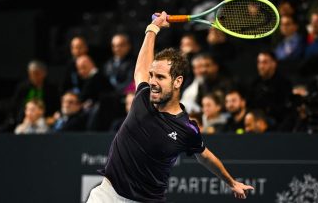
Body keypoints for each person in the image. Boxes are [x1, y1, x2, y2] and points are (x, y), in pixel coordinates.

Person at [86, 11, 254, 203]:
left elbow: (205, 156)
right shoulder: (143, 96)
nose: (153, 82)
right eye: (152, 76)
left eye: (160, 77)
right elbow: (141, 67)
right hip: (107, 195)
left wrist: (231, 182)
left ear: (177, 81)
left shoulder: (186, 128)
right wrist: (153, 29)